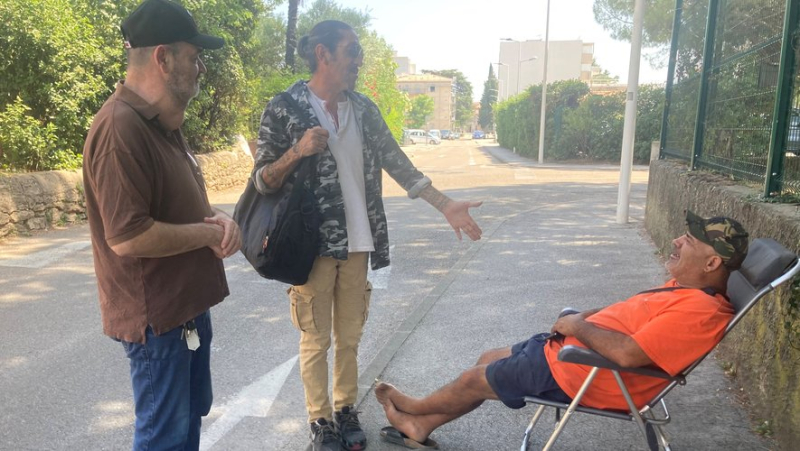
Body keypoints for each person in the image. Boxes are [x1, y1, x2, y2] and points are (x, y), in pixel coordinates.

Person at [253, 20, 483, 451]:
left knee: (350, 339)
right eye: (351, 50)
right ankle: (320, 421)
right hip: (310, 248)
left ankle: (345, 410)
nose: (359, 59)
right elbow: (263, 180)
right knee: (316, 339)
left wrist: (445, 204)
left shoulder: (363, 109)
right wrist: (297, 151)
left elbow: (399, 164)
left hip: (360, 244)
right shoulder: (284, 108)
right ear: (324, 55)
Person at [374, 211, 748, 449]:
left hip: (585, 372)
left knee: (475, 378)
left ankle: (413, 407)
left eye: (690, 241)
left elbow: (628, 355)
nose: (677, 240)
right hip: (571, 353)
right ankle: (418, 427)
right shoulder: (686, 288)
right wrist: (581, 319)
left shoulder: (700, 310)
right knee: (489, 359)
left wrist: (576, 325)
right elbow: (628, 314)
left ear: (712, 261)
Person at [82, 0, 241, 449]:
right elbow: (129, 237)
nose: (201, 68)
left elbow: (175, 208)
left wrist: (218, 220)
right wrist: (210, 234)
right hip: (160, 322)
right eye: (194, 57)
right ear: (163, 58)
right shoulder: (120, 128)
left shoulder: (161, 121)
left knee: (183, 426)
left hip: (184, 312)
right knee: (164, 438)